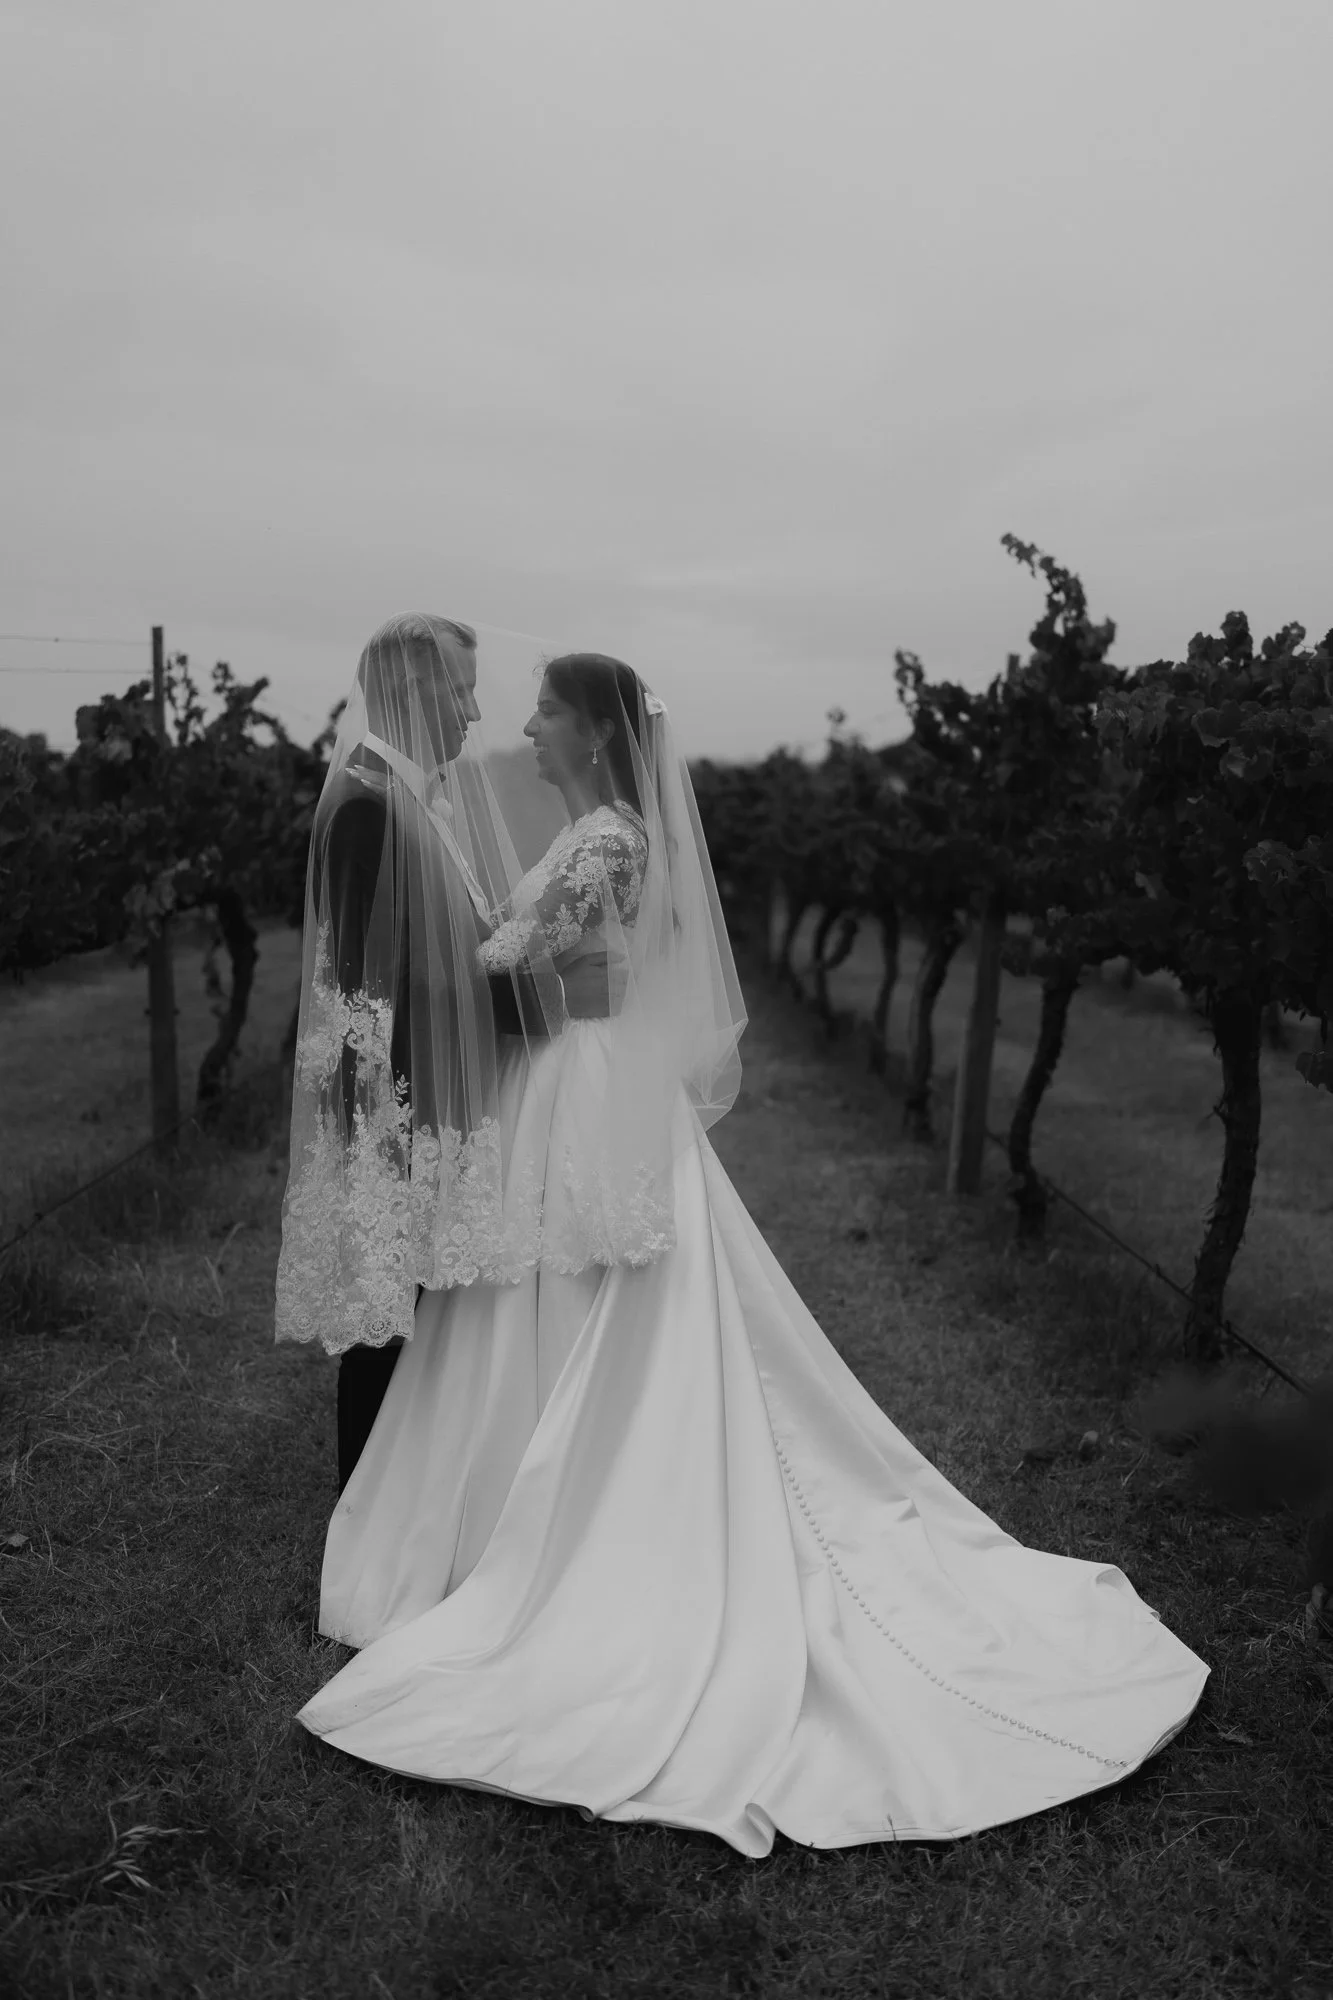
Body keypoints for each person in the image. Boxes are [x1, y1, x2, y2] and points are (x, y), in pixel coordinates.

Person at [294, 654, 1208, 1858]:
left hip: (583, 1091)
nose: (526, 722)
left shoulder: (605, 839)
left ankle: (566, 1513)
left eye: (549, 709)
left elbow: (502, 960)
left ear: (597, 732)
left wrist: (427, 941)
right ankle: (503, 1503)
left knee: (584, 1287)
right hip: (559, 1080)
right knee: (535, 1289)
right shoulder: (583, 832)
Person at [274, 613, 558, 1491]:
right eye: (460, 689)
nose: (473, 711)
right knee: (384, 1322)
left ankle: (408, 1496)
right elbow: (367, 989)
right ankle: (363, 1509)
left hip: (425, 1098)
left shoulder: (410, 796)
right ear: (411, 686)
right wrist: (385, 1133)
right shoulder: (367, 805)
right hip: (396, 1106)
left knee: (419, 1317)